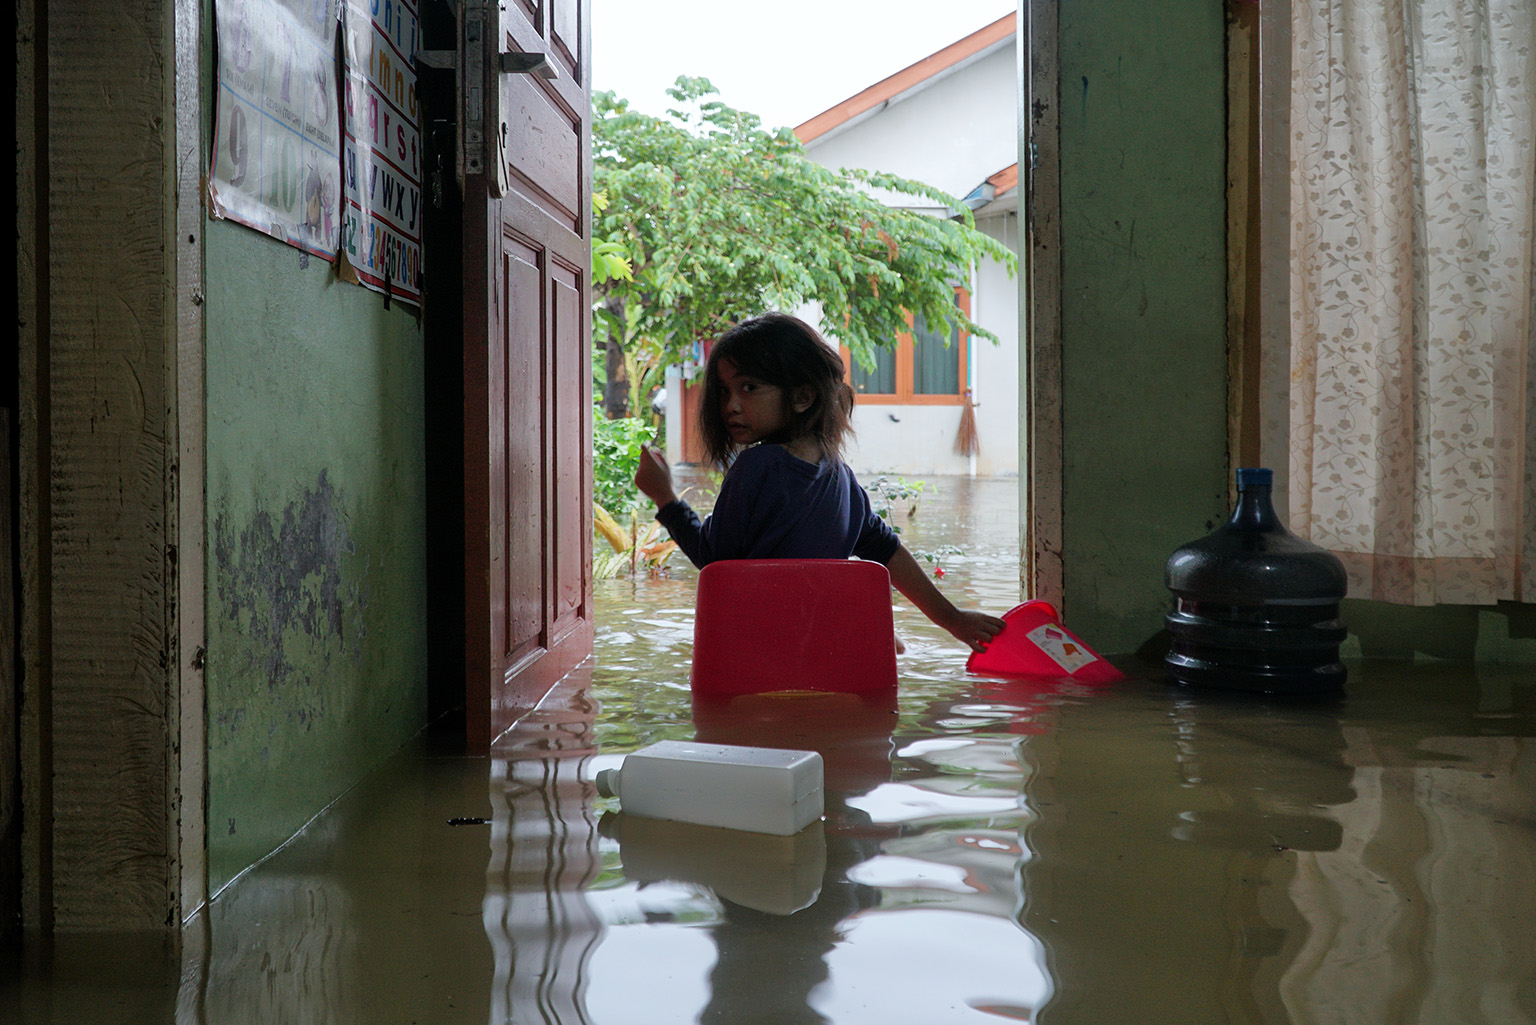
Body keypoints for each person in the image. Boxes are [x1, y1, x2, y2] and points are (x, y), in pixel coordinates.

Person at [634, 312, 1006, 654]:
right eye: (724, 391)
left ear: (802, 396)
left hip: (761, 655)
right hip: (828, 648)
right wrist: (951, 619)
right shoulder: (840, 475)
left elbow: (716, 565)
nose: (731, 405)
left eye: (748, 388)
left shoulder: (756, 468)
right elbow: (885, 551)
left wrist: (665, 498)